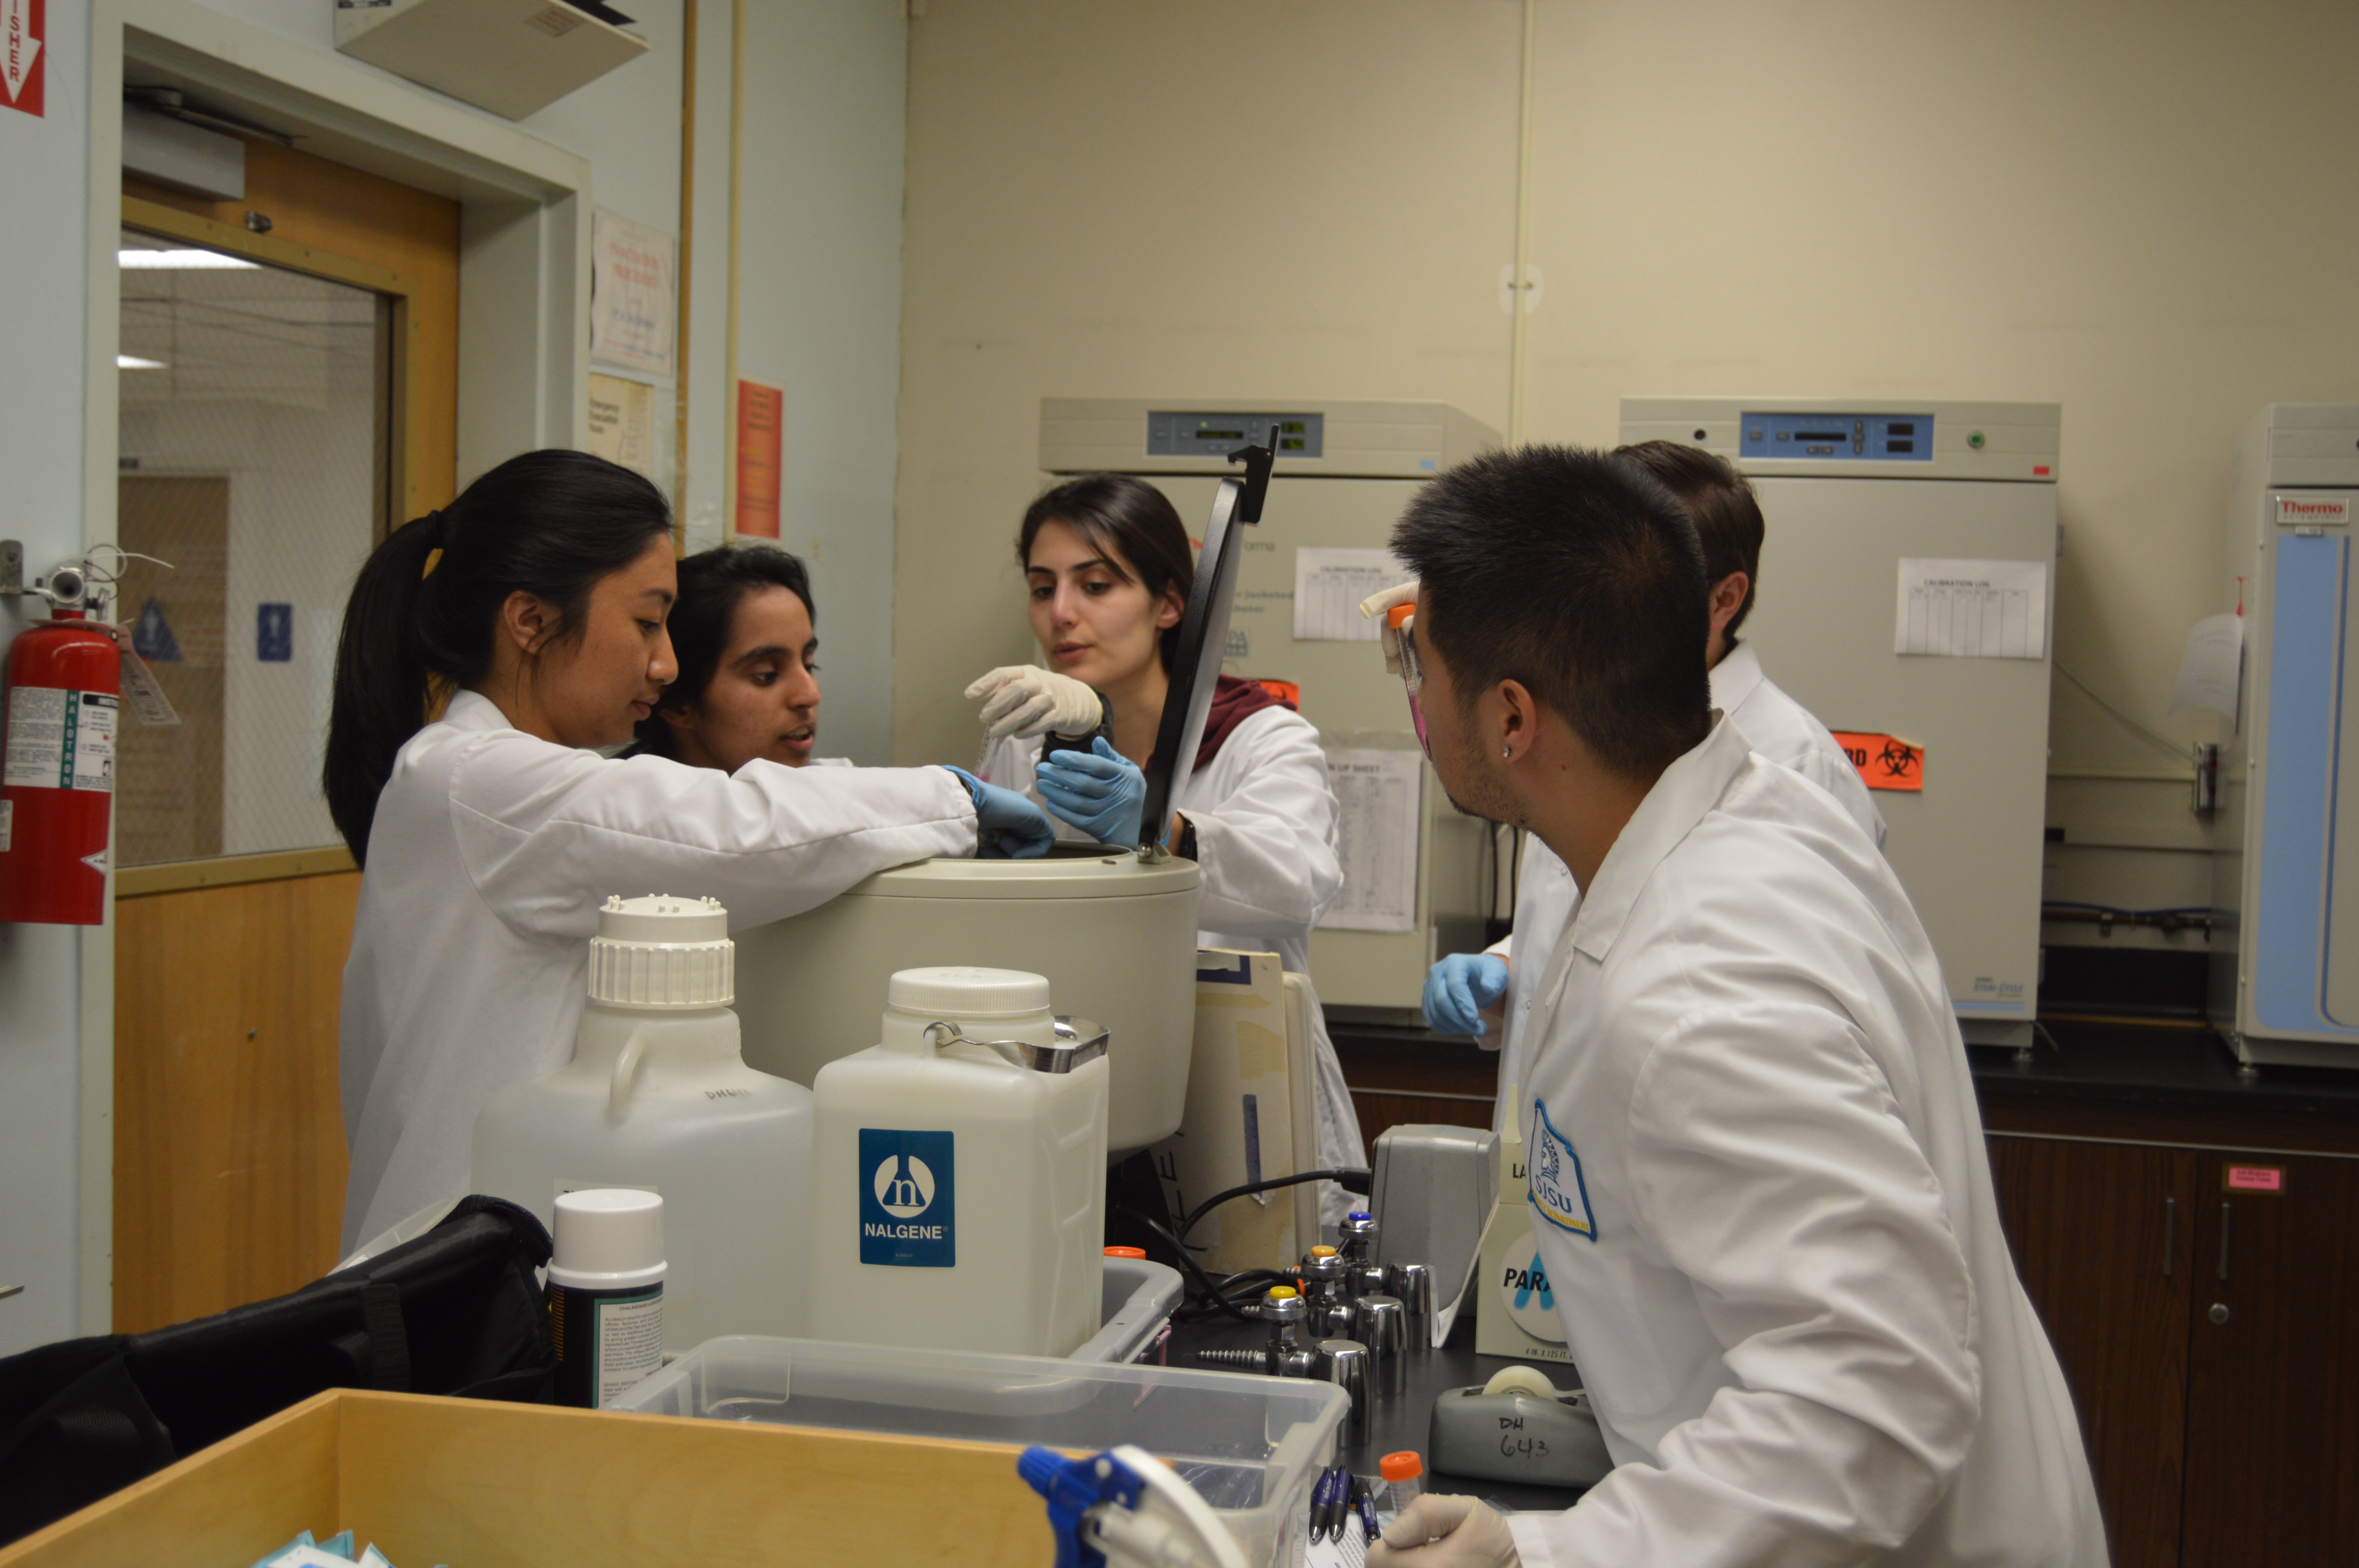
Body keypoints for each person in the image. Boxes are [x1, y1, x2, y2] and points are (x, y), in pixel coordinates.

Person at [1364, 447, 2103, 1567]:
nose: (1415, 699)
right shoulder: (1732, 813)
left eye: (1421, 668)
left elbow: (1871, 1402)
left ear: (1513, 717)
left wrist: (1555, 1558)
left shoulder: (1706, 993)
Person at [327, 450, 1053, 1251]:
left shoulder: (483, 777)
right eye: (646, 621)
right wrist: (961, 798)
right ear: (530, 621)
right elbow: (732, 829)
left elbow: (744, 813)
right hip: (456, 1278)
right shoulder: (483, 782)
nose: (665, 662)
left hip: (488, 1255)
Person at [1403, 440, 1886, 1125]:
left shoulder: (1796, 766)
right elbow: (1595, 916)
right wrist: (1512, 969)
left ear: (1722, 597)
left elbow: (1776, 1033)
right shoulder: (1581, 735)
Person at [964, 473, 1366, 1222]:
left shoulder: (1259, 736)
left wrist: (1165, 834)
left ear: (1171, 604)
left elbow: (1298, 880)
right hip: (1079, 1083)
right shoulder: (1028, 743)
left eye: (1096, 584)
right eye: (1042, 586)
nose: (1061, 614)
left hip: (1235, 1090)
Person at [630, 544, 835, 771]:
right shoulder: (623, 801)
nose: (811, 696)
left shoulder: (837, 788)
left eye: (809, 666)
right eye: (766, 675)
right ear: (677, 706)